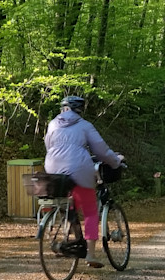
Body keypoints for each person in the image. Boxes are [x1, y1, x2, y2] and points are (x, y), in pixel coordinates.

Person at [44, 96, 124, 268]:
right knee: (90, 211)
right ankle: (90, 254)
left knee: (69, 205)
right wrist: (116, 161)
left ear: (62, 109)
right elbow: (101, 151)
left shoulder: (52, 124)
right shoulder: (85, 126)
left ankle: (68, 234)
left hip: (52, 169)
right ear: (80, 110)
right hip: (78, 170)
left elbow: (48, 145)